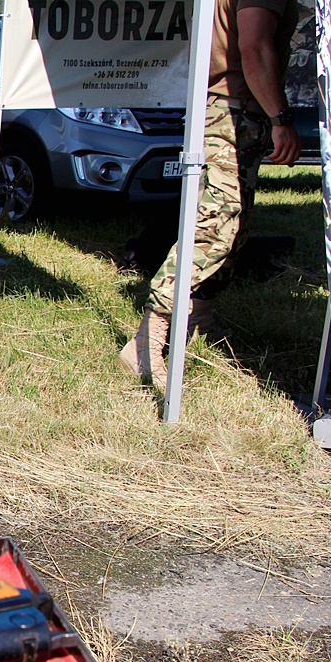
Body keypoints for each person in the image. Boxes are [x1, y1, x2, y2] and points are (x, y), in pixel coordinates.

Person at [119, 0, 302, 386]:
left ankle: (197, 320)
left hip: (234, 110)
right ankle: (147, 339)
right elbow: (253, 47)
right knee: (216, 226)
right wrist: (281, 118)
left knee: (234, 225)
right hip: (232, 111)